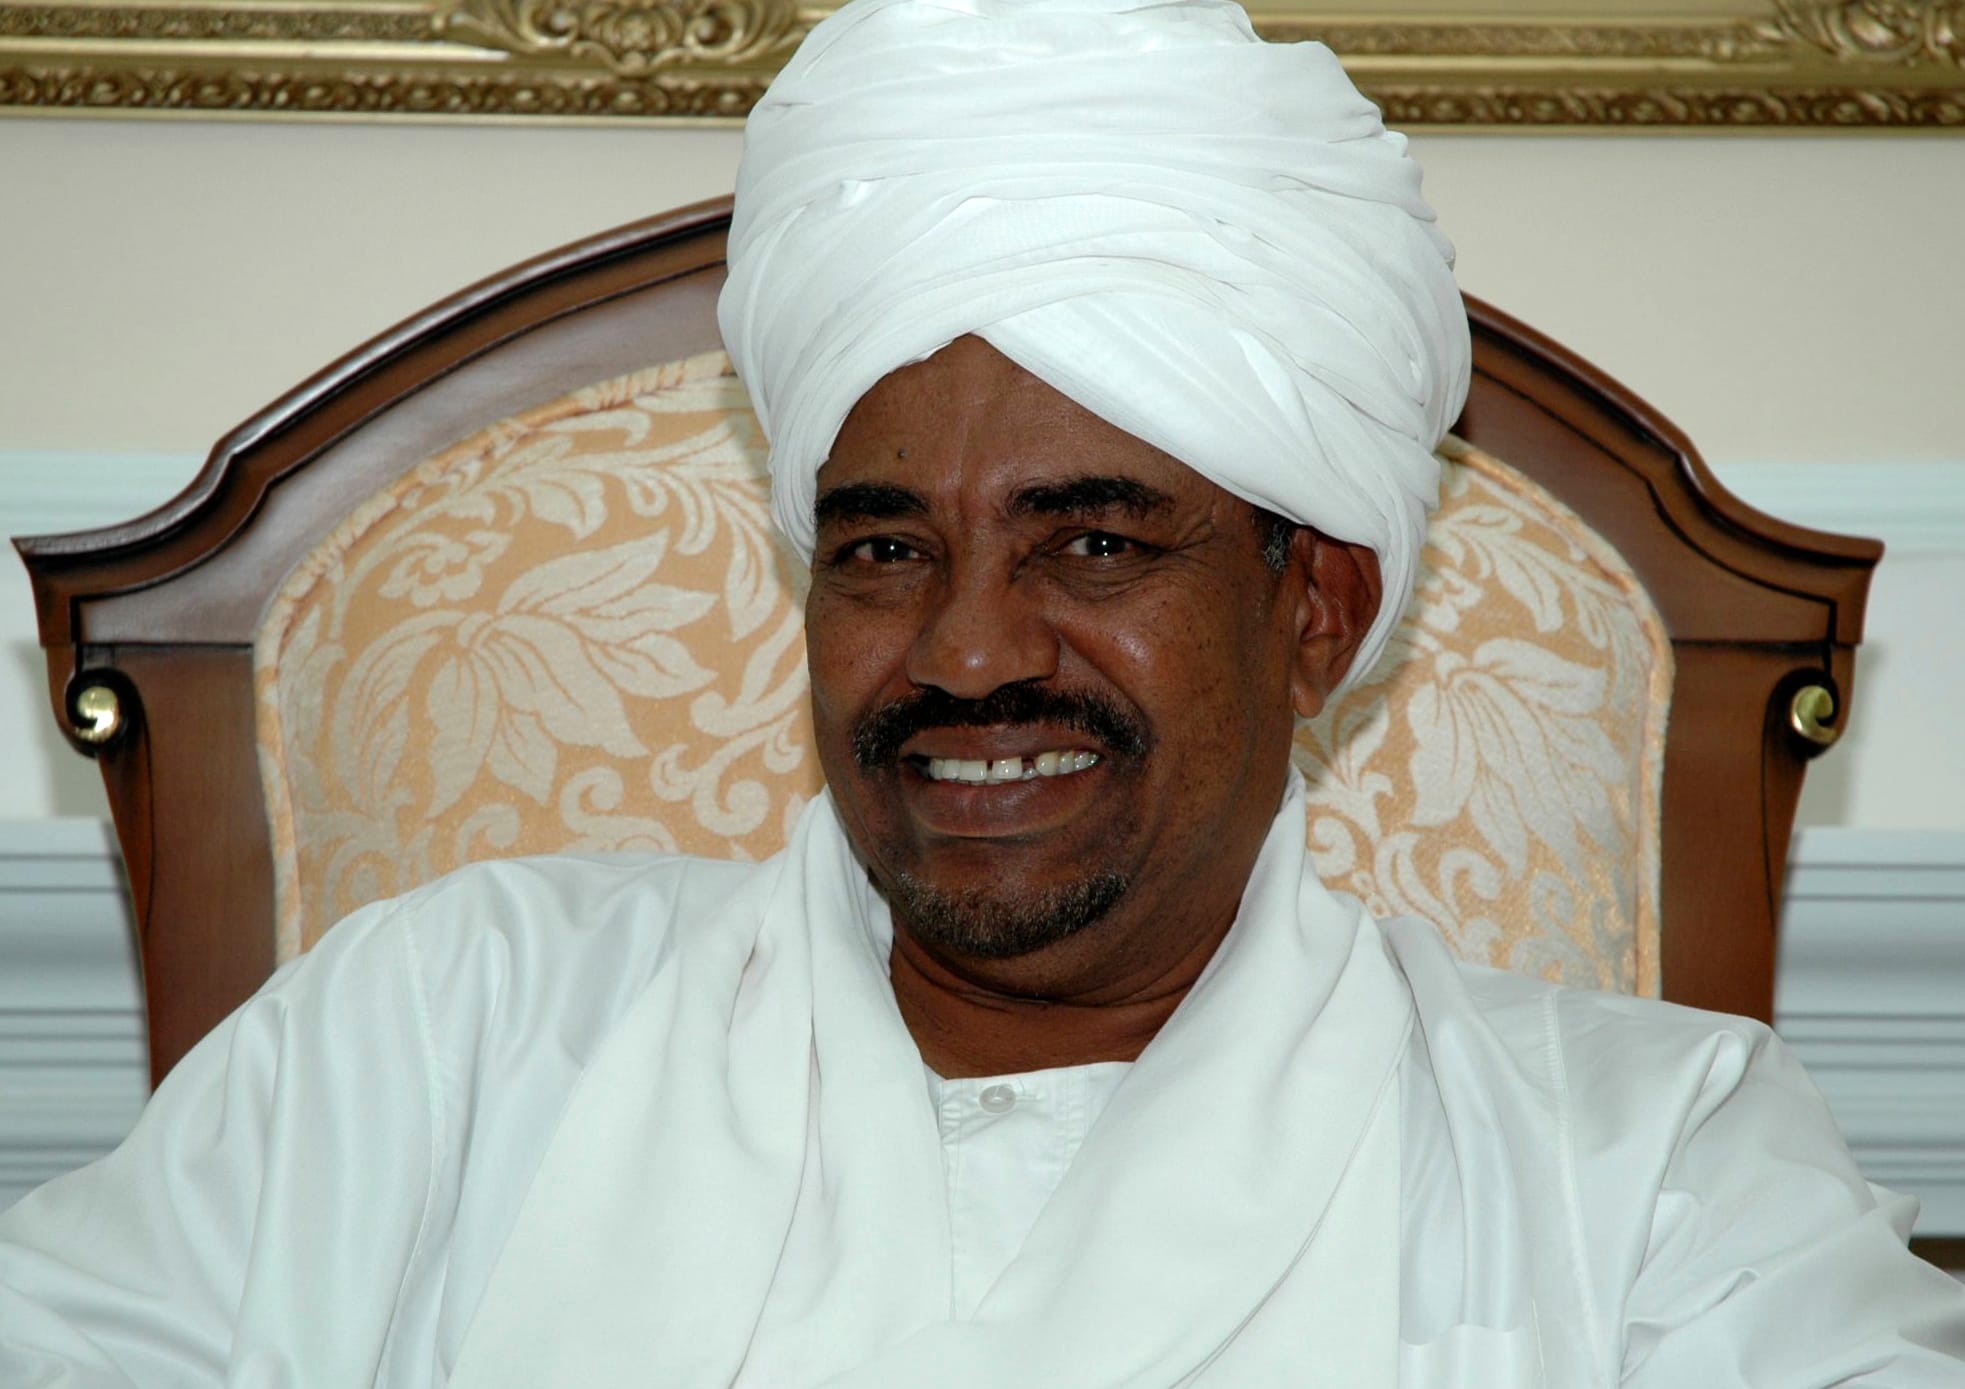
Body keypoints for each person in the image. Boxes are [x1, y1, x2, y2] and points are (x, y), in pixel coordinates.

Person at [4, 0, 1964, 1384]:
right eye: (880, 549)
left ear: (1314, 608)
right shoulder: (446, 1031)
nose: (963, 651)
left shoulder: (1642, 1165)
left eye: (1090, 542)